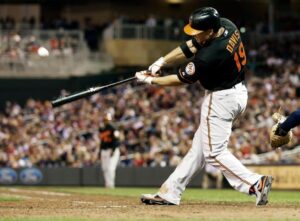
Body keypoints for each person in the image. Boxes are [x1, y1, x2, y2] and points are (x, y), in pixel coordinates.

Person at [135, 7, 272, 206]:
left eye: (199, 32)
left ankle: (254, 183)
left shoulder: (211, 54)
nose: (195, 35)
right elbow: (189, 46)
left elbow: (182, 78)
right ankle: (170, 192)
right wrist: (161, 62)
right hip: (237, 93)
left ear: (209, 31)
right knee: (198, 150)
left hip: (220, 99)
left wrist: (150, 81)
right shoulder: (226, 25)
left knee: (213, 153)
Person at [99, 113, 120, 188]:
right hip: (104, 150)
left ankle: (111, 185)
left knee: (110, 168)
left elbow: (116, 140)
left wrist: (113, 150)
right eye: (105, 120)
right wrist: (99, 152)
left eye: (107, 120)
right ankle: (107, 184)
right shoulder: (102, 129)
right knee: (104, 168)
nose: (106, 122)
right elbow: (102, 142)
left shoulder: (113, 128)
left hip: (111, 150)